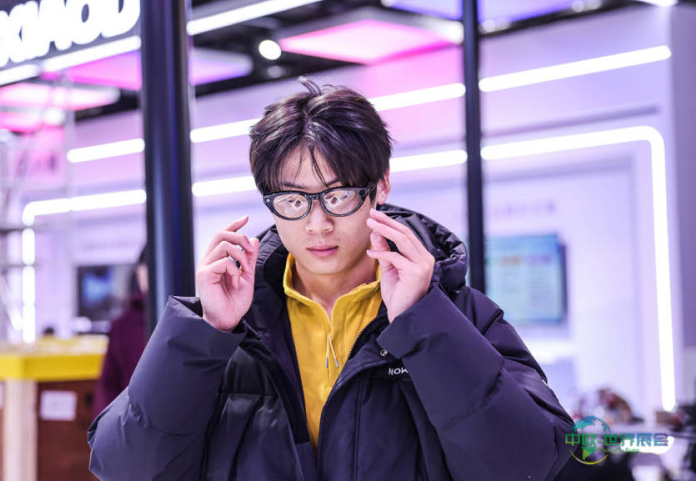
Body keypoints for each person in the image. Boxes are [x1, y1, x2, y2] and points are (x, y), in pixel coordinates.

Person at [88, 79, 575, 480]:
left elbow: (530, 463)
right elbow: (124, 468)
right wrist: (204, 334)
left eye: (338, 196)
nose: (317, 224)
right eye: (293, 200)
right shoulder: (229, 325)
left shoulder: (458, 313)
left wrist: (424, 321)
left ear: (380, 186)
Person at [91, 246, 148, 417]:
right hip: (133, 424)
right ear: (138, 272)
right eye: (146, 266)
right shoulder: (122, 326)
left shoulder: (192, 318)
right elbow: (108, 387)